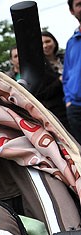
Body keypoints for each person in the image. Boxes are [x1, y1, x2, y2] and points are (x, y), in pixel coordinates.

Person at [64, 0, 81, 144]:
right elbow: (67, 74)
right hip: (75, 107)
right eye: (79, 4)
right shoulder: (72, 42)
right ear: (72, 10)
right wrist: (69, 100)